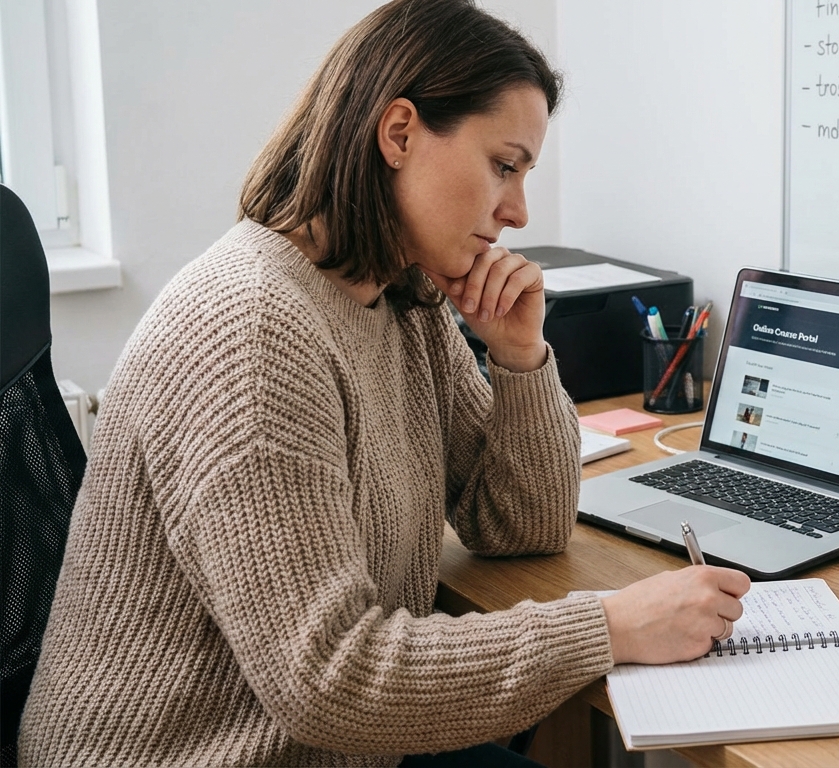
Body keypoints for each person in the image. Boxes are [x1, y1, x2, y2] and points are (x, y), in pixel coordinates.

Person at [17, 2, 749, 765]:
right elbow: (331, 679)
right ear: (398, 133)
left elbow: (520, 525)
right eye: (504, 165)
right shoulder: (253, 329)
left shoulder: (400, 297)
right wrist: (611, 626)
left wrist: (520, 356)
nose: (519, 210)